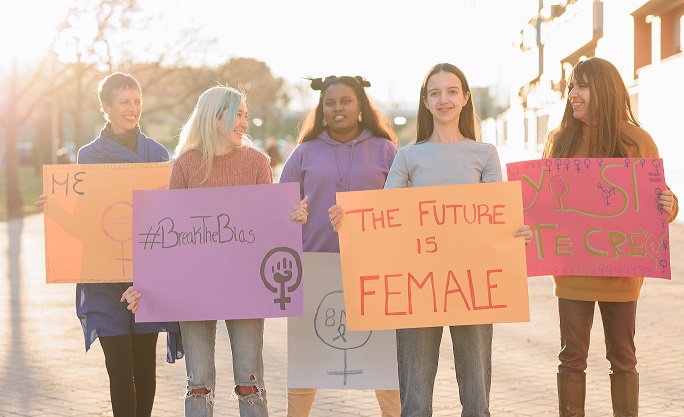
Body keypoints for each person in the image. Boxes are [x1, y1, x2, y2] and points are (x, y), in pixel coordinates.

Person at [330, 63, 532, 417]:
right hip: (418, 286)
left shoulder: (485, 154)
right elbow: (383, 215)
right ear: (425, 102)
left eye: (452, 91)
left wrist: (515, 233)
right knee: (415, 401)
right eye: (435, 93)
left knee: (476, 401)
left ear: (466, 99)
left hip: (472, 283)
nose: (444, 100)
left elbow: (495, 214)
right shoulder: (408, 156)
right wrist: (350, 220)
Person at [123, 85, 308, 417]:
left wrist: (291, 218)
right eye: (238, 115)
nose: (244, 124)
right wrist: (146, 287)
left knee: (250, 382)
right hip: (195, 291)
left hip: (247, 287)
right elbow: (169, 238)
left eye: (246, 116)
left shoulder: (257, 163)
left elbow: (267, 227)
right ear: (214, 116)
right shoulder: (186, 165)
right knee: (199, 385)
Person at [35, 72, 183, 417]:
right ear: (106, 107)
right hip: (103, 277)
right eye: (124, 102)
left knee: (144, 365)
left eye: (137, 101)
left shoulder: (158, 154)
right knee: (118, 368)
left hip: (147, 279)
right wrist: (55, 208)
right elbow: (85, 219)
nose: (133, 109)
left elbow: (170, 217)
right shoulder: (89, 157)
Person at [543, 57, 678, 417]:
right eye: (572, 86)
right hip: (571, 274)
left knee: (623, 358)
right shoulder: (558, 142)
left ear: (604, 90)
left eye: (582, 86)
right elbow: (542, 205)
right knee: (571, 359)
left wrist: (669, 204)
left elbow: (659, 199)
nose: (573, 94)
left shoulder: (637, 141)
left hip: (621, 273)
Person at [279, 75, 401, 417]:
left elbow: (403, 208)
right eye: (330, 103)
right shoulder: (303, 153)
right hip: (316, 268)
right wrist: (292, 213)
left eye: (346, 101)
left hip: (373, 268)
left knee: (383, 359)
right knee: (306, 361)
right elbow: (280, 208)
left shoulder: (386, 150)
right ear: (322, 109)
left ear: (360, 106)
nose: (338, 108)